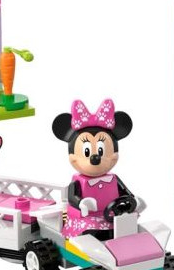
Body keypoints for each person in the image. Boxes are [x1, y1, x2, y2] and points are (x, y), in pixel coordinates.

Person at [51, 98, 137, 240]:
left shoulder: (113, 179)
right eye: (87, 152)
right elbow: (72, 197)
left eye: (101, 151)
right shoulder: (78, 181)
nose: (95, 157)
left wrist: (133, 199)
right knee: (90, 230)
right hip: (86, 216)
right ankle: (91, 244)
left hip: (113, 214)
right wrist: (81, 203)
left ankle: (123, 241)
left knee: (127, 222)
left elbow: (125, 192)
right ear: (73, 156)